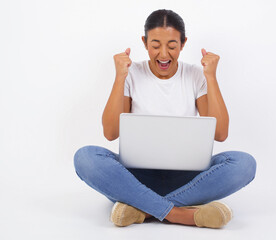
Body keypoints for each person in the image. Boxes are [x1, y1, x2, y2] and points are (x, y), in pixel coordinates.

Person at [73, 9, 256, 229]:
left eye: (171, 46)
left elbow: (221, 134)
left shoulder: (195, 75)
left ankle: (142, 209)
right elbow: (110, 133)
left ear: (183, 43)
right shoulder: (132, 74)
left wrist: (211, 77)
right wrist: (120, 77)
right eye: (155, 45)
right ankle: (180, 214)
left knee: (244, 164)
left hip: (188, 179)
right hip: (136, 178)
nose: (163, 55)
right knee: (85, 157)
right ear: (144, 42)